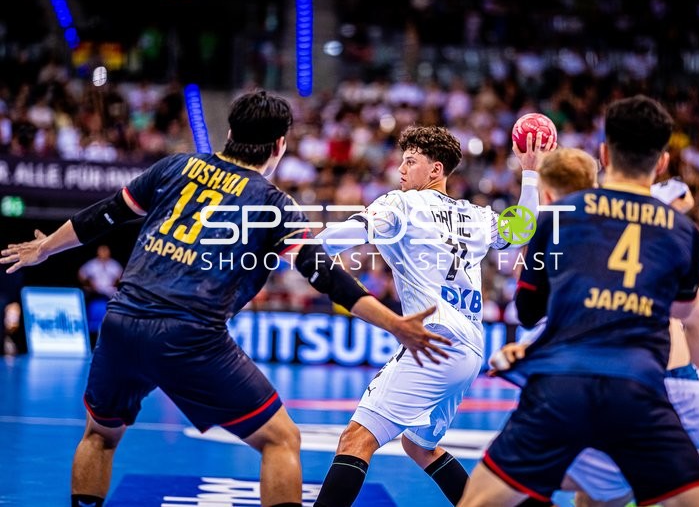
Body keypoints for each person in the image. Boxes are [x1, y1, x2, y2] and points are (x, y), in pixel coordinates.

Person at [0, 90, 450, 507]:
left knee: (98, 436)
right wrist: (394, 322)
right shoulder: (271, 203)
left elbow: (103, 215)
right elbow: (327, 277)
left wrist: (43, 248)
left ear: (230, 134)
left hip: (122, 324)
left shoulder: (173, 168)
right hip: (191, 336)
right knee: (280, 441)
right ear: (279, 146)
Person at [458, 95, 699, 507]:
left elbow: (528, 312)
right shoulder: (680, 231)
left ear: (604, 152)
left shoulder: (560, 216)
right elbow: (695, 318)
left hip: (566, 384)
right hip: (644, 387)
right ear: (664, 162)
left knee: (480, 500)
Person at [312, 125, 555, 507]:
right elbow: (524, 224)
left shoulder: (401, 203)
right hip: (471, 348)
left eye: (411, 162)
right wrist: (530, 171)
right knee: (420, 445)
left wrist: (302, 242)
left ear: (436, 170)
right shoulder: (477, 215)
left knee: (357, 438)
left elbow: (348, 234)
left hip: (432, 341)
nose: (402, 170)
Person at [79, 245, 124, 349]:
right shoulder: (92, 264)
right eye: (102, 252)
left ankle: (115, 324)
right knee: (87, 296)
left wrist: (114, 284)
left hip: (108, 290)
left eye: (105, 252)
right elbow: (81, 274)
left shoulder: (113, 265)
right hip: (95, 291)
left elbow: (120, 276)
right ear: (98, 253)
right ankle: (88, 324)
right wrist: (90, 284)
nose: (103, 254)